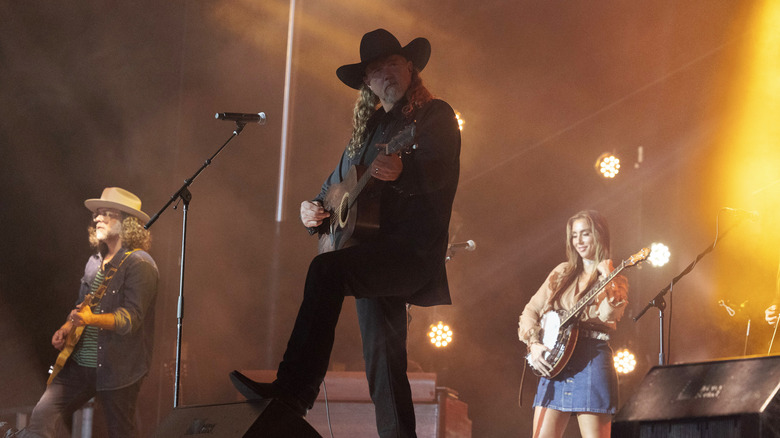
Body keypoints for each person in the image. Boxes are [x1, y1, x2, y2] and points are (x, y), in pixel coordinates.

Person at [230, 29, 460, 438]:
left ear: (410, 68)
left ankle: (294, 392)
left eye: (392, 63)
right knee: (383, 365)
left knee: (325, 272)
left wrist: (406, 171)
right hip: (370, 251)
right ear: (367, 84)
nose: (385, 73)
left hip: (410, 253)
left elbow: (442, 172)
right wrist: (312, 212)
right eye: (375, 70)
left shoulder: (433, 115)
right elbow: (333, 191)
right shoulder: (366, 132)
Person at [3, 187, 159, 438]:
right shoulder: (94, 262)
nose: (97, 218)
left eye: (106, 213)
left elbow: (130, 319)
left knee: (120, 433)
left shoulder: (140, 263)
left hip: (119, 370)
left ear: (127, 223)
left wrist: (90, 319)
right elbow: (81, 306)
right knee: (41, 418)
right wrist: (66, 327)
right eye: (97, 213)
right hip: (81, 365)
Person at [518, 210, 628, 438]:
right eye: (574, 235)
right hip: (555, 361)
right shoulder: (561, 272)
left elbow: (611, 314)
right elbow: (530, 310)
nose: (578, 241)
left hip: (591, 360)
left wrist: (607, 277)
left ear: (599, 236)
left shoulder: (616, 278)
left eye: (585, 234)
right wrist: (534, 344)